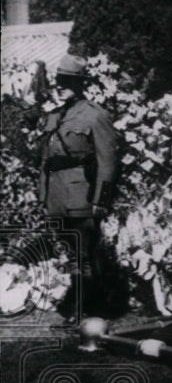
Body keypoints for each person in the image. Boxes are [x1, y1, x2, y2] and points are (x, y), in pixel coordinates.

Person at [39, 54, 121, 322]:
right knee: (71, 254)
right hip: (57, 196)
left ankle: (83, 309)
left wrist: (101, 199)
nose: (60, 86)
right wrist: (43, 195)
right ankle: (86, 305)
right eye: (58, 80)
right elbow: (46, 160)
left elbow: (107, 161)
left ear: (79, 83)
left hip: (81, 195)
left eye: (66, 81)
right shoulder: (54, 116)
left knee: (83, 254)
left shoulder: (95, 115)